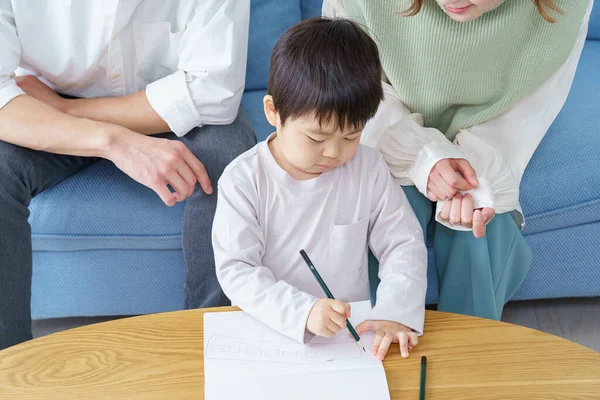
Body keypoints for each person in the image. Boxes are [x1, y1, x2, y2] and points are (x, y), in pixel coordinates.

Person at [0, 0, 255, 350]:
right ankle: (9, 366)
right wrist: (111, 140)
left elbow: (213, 93)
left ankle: (214, 345)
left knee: (229, 160)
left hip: (165, 108)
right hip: (48, 109)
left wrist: (70, 110)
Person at [323, 0, 594, 319]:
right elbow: (351, 88)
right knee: (376, 207)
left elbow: (528, 111)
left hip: (490, 139)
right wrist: (423, 156)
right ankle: (367, 351)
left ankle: (467, 359)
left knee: (477, 225)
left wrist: (471, 175)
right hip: (385, 124)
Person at [212, 17, 427, 361]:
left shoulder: (367, 168)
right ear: (274, 112)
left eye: (351, 136)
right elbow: (238, 270)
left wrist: (394, 310)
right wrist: (303, 311)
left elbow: (403, 243)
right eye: (316, 137)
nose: (333, 152)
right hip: (269, 336)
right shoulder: (244, 181)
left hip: (350, 342)